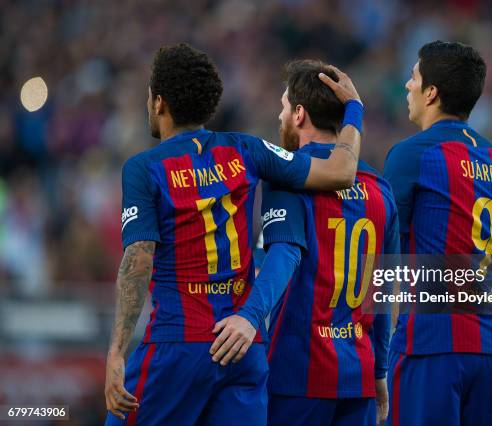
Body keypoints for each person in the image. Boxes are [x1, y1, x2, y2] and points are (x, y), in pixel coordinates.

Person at [104, 43, 364, 426]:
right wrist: (355, 108)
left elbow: (139, 258)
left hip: (178, 346)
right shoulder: (248, 149)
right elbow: (342, 170)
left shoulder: (144, 168)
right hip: (243, 348)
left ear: (159, 102)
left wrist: (116, 351)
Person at [214, 59, 399, 426]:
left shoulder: (290, 175)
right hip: (357, 376)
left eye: (284, 107)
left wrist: (250, 315)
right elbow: (384, 290)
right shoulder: (381, 191)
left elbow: (284, 254)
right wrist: (379, 370)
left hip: (298, 374)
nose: (280, 117)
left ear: (299, 114)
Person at [383, 41, 492, 426]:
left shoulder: (412, 155)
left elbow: (381, 256)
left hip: (431, 347)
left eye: (413, 78)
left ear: (431, 92)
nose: (407, 86)